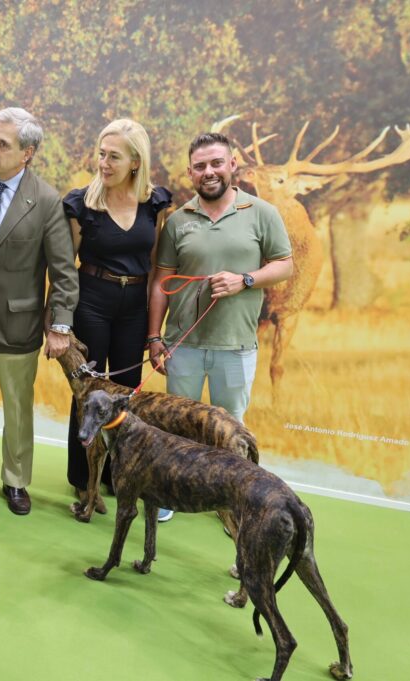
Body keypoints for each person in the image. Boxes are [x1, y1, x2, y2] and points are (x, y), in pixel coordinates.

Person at [147, 131, 293, 522]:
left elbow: (284, 265)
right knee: (177, 426)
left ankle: (232, 504)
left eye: (216, 163)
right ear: (190, 173)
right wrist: (155, 337)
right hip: (184, 345)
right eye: (200, 166)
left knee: (231, 429)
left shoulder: (262, 213)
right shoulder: (178, 221)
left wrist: (243, 279)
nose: (208, 172)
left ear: (232, 166)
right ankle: (170, 496)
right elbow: (161, 283)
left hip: (236, 344)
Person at [0, 107, 79, 515]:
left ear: (28, 152)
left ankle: (16, 480)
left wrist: (60, 325)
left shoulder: (45, 201)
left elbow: (63, 271)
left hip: (18, 326)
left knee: (19, 409)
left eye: (2, 144)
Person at [62, 119, 172, 510]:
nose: (104, 163)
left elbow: (158, 262)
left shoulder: (155, 203)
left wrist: (156, 324)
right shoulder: (82, 203)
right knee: (90, 393)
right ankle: (82, 479)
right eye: (101, 154)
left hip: (134, 306)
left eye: (114, 156)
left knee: (127, 395)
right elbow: (63, 266)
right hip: (92, 299)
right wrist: (58, 321)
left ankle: (116, 473)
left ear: (136, 162)